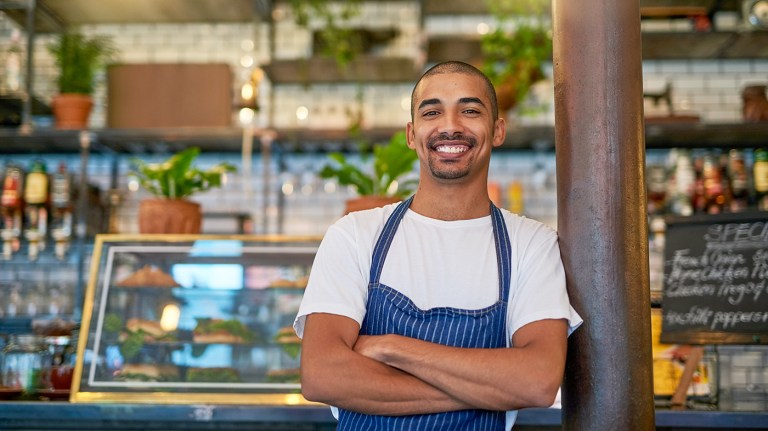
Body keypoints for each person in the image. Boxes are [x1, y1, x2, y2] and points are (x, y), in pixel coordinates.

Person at [293, 61, 582, 430]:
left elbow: (538, 382)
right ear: (412, 134)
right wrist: (488, 388)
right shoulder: (355, 235)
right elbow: (322, 375)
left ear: (497, 130)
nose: (450, 126)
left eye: (470, 110)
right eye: (432, 112)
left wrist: (392, 348)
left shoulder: (531, 243)